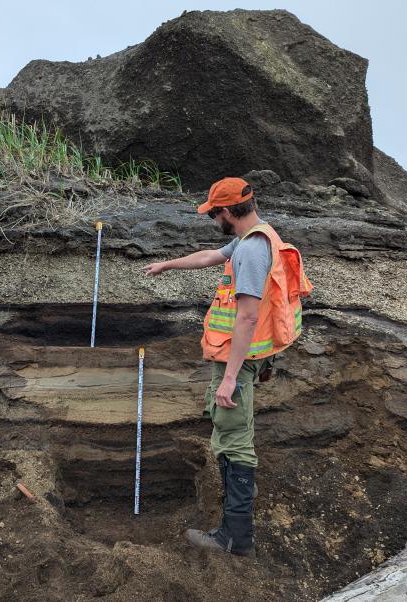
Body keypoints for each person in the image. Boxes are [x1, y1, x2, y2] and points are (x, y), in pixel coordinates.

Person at [142, 176, 311, 557]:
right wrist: (168, 265)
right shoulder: (256, 236)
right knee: (230, 431)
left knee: (234, 441)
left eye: (212, 213)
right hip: (248, 358)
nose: (211, 219)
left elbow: (248, 317)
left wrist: (230, 378)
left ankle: (234, 538)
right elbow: (212, 256)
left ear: (226, 211)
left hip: (238, 360)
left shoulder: (252, 252)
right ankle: (242, 491)